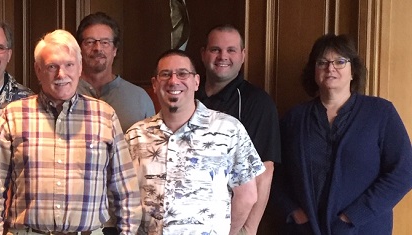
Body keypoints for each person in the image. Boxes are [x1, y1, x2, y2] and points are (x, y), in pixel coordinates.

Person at [0, 29, 141, 235]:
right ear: (38, 70)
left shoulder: (104, 116)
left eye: (69, 65)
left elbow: (126, 192)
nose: (61, 74)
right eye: (52, 66)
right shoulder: (13, 116)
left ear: (79, 68)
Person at [275, 34, 412, 235]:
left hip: (364, 229)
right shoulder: (295, 118)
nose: (330, 68)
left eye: (340, 61)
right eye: (322, 62)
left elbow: (404, 172)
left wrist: (353, 217)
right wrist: (293, 211)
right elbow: (273, 172)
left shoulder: (381, 113)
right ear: (314, 71)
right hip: (305, 230)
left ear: (353, 71)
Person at [127, 49, 264, 235]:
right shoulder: (135, 135)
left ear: (196, 81)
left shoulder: (229, 130)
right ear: (154, 84)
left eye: (183, 73)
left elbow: (247, 195)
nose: (174, 81)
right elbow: (123, 197)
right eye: (165, 74)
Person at [196, 24, 281, 234]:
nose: (222, 56)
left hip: (233, 225)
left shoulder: (258, 103)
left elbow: (264, 172)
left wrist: (248, 229)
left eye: (231, 50)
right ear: (203, 54)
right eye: (215, 49)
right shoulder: (189, 95)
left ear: (243, 55)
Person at [75, 12, 155, 130]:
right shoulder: (63, 94)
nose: (97, 48)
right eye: (90, 42)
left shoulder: (139, 99)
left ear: (115, 50)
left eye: (105, 42)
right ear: (79, 49)